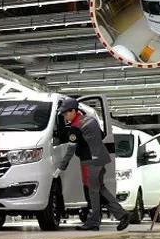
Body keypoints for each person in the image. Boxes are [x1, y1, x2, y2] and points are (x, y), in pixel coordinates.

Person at [55, 98, 130, 231]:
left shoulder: (75, 128)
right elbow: (101, 135)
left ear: (73, 111)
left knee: (93, 192)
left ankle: (102, 220)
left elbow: (70, 151)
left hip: (90, 162)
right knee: (99, 189)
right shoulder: (91, 120)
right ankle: (114, 216)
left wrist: (61, 167)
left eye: (66, 113)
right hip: (100, 159)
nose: (65, 117)